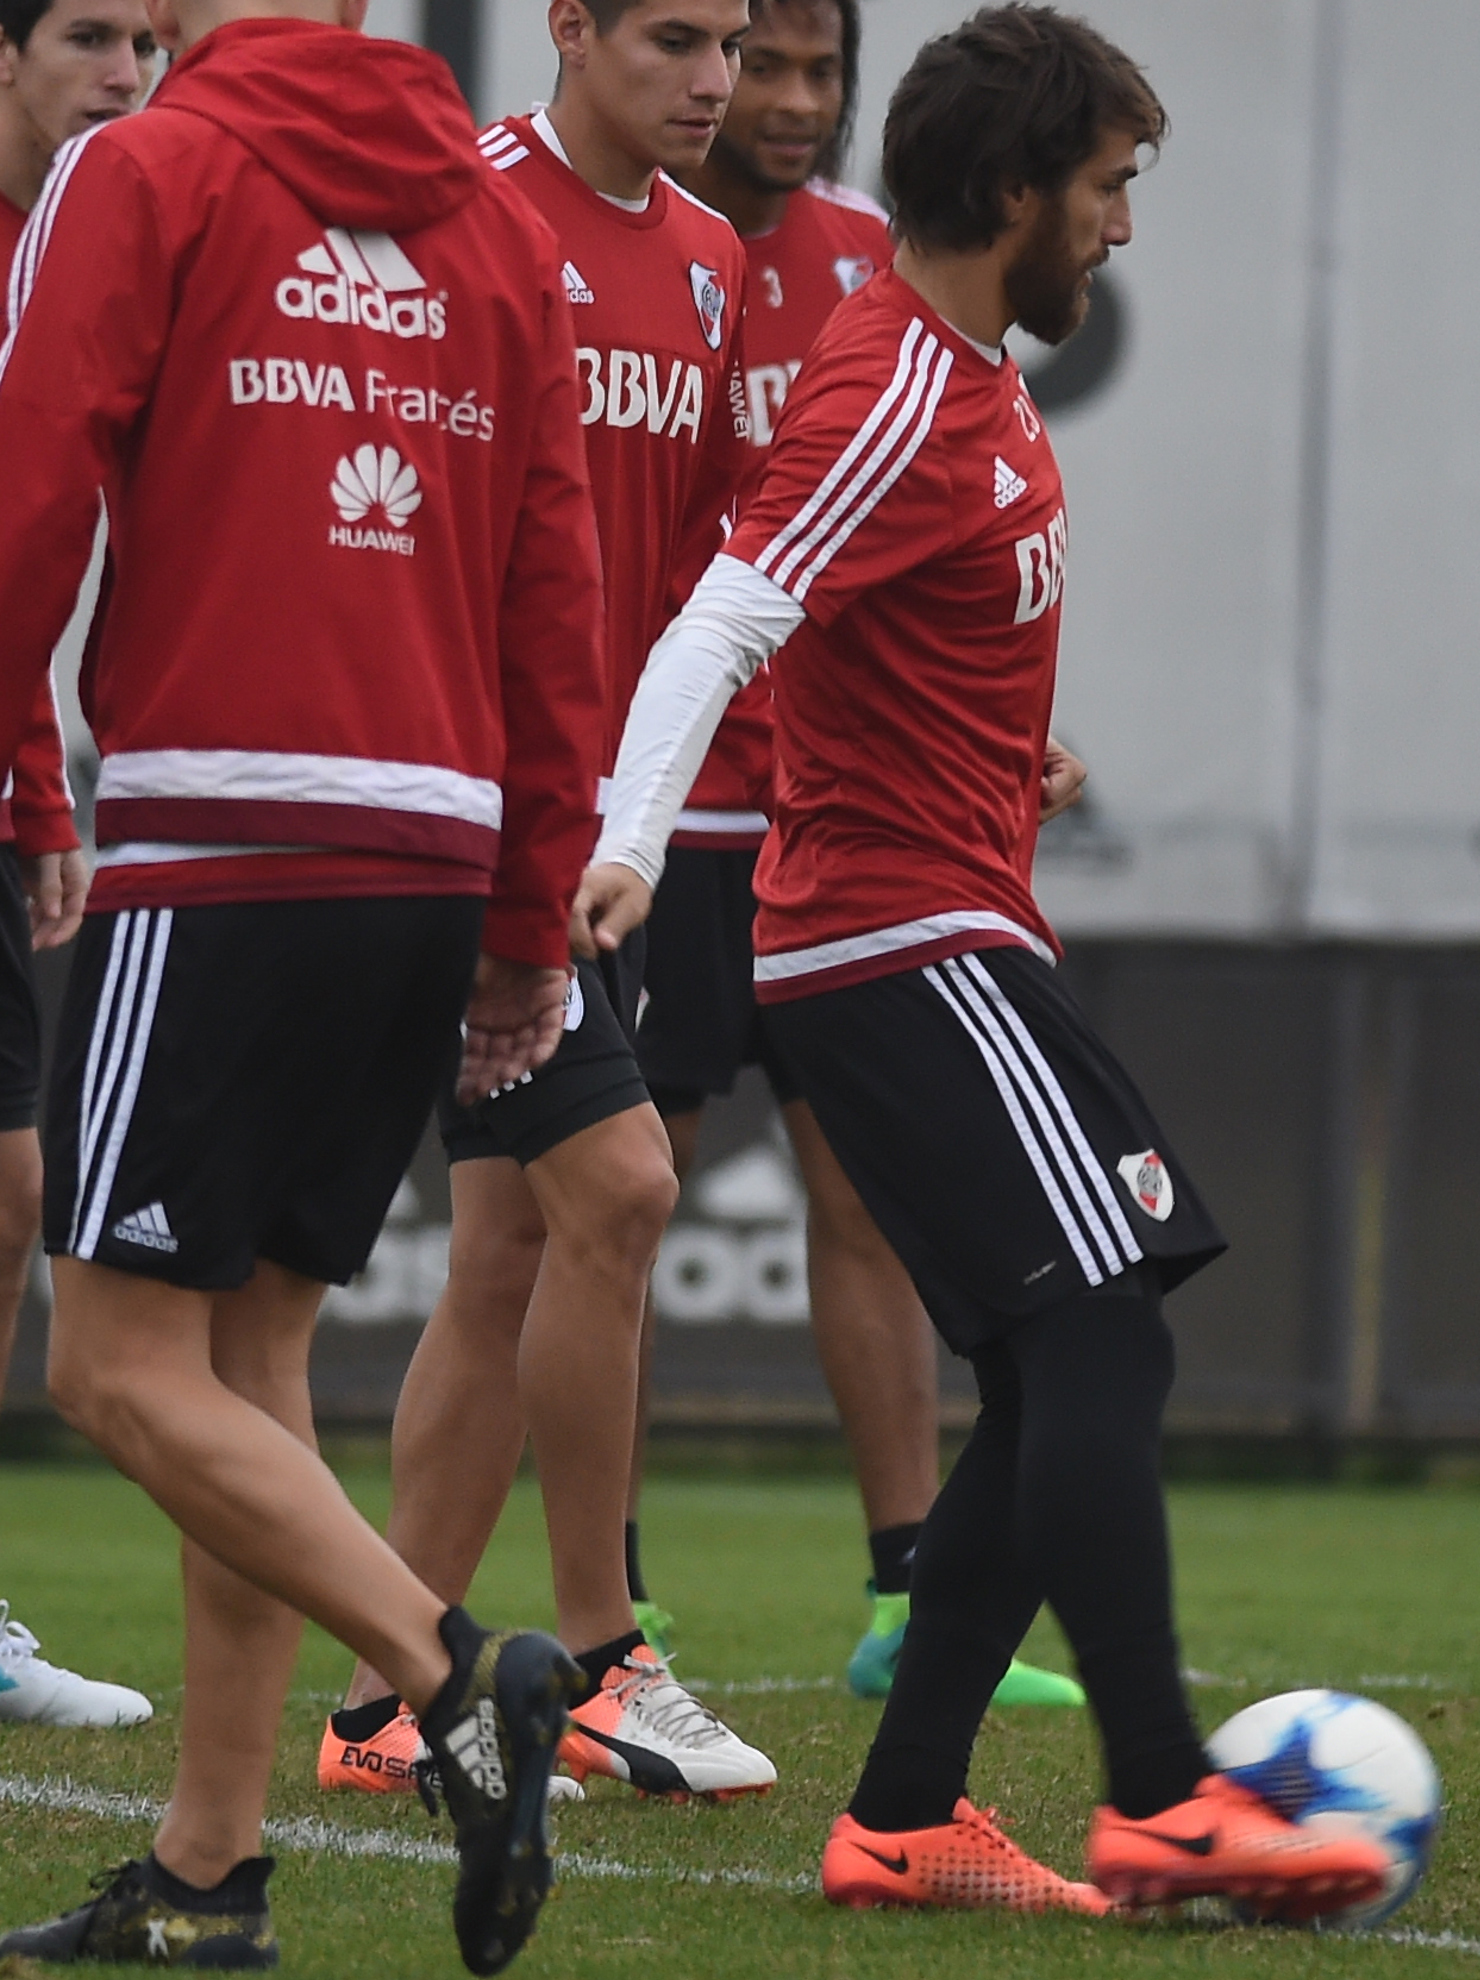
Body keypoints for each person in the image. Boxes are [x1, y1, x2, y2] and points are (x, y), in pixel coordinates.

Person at [573, 5, 1394, 1918]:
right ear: (1013, 190)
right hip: (893, 940)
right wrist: (623, 847)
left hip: (942, 923)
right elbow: (717, 626)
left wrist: (991, 733)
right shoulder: (892, 388)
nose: (1120, 228)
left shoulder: (960, 367)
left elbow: (883, 622)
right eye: (1106, 188)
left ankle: (909, 1814)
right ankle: (1166, 1796)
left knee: (1061, 1362)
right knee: (1099, 1328)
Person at [0, 0, 609, 1966]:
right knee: (250, 1377)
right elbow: (556, 590)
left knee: (106, 1365)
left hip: (225, 842)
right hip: (424, 858)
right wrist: (523, 923)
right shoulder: (495, 226)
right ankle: (205, 1879)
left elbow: (24, 496)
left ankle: (450, 1675)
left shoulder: (147, 165)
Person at [312, 0, 780, 1810]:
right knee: (628, 1187)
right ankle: (600, 1658)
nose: (718, 81)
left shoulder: (718, 264)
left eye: (733, 43)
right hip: (484, 831)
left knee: (514, 1253)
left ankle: (376, 1707)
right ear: (569, 29)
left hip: (604, 839)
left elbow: (716, 571)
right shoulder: (466, 212)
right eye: (674, 37)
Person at [649, 0, 1081, 1710]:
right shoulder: (643, 247)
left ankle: (907, 1592)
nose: (785, 98)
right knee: (614, 1206)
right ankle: (620, 1622)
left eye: (822, 69)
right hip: (676, 820)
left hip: (850, 823)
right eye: (759, 61)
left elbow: (920, 557)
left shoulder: (874, 266)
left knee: (870, 1211)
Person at [0, 0, 145, 1737]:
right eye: (94, 34)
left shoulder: (84, 244)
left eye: (150, 42)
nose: (127, 71)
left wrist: (41, 792)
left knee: (15, 1192)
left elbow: (35, 568)